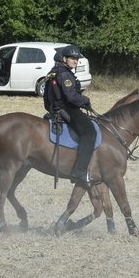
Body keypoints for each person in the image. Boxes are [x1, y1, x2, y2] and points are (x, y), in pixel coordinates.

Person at [44, 45, 96, 186]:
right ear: (64, 58)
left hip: (56, 108)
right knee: (90, 132)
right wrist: (85, 100)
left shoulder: (54, 72)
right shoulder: (65, 74)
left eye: (77, 58)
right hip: (67, 109)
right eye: (73, 58)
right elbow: (71, 97)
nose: (76, 61)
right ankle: (79, 172)